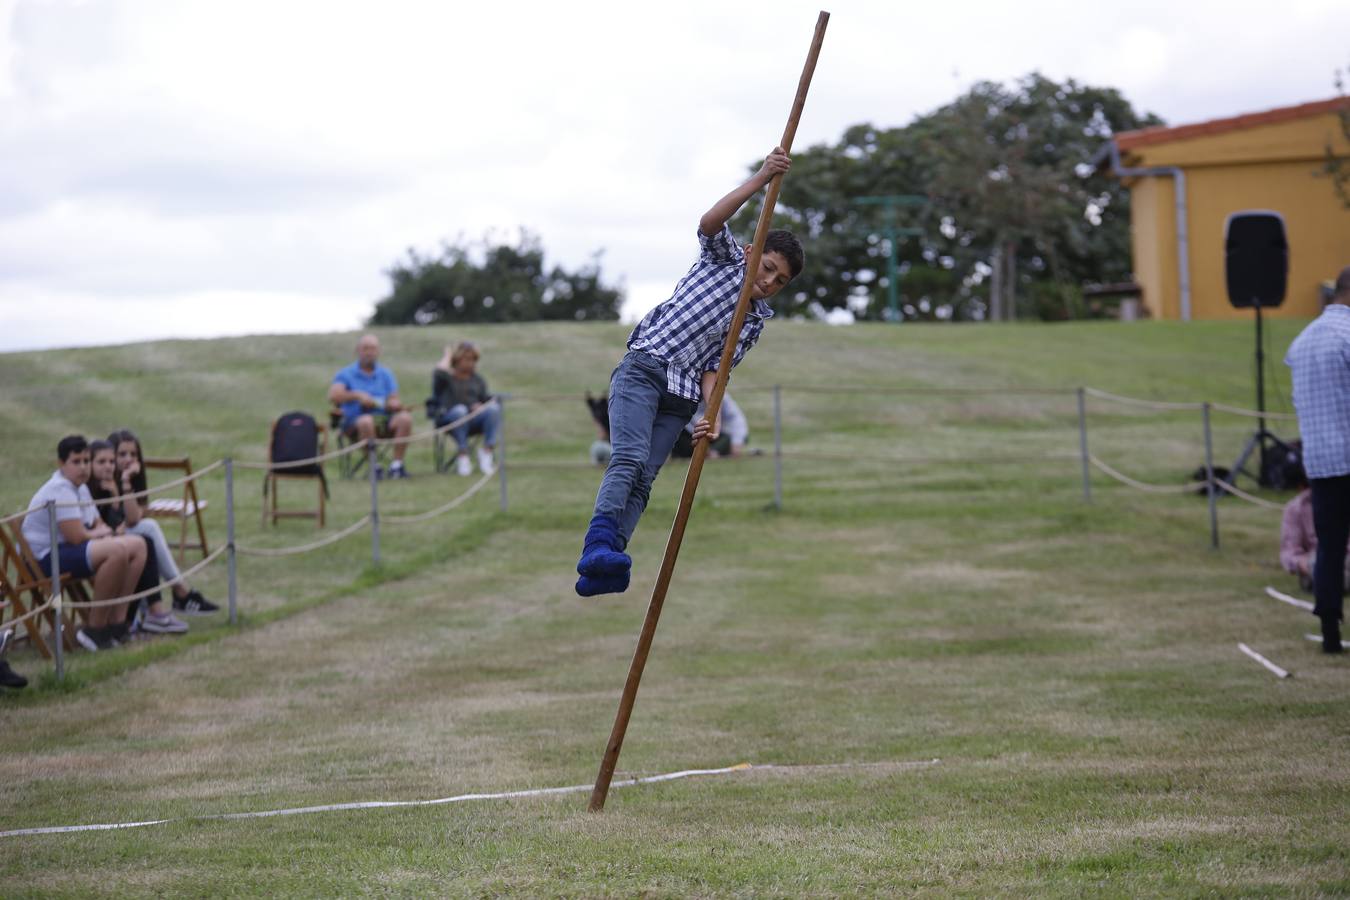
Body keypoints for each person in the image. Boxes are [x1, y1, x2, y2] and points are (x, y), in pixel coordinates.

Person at [573, 147, 804, 596]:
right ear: (753, 250)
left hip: (680, 397)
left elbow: (716, 370)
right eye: (769, 268)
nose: (769, 283)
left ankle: (606, 563)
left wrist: (711, 413)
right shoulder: (724, 260)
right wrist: (760, 178)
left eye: (780, 282)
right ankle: (597, 544)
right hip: (645, 370)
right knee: (629, 458)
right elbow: (710, 222)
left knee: (646, 476)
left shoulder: (753, 322)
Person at [20, 435, 145, 651]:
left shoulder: (81, 487)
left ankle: (117, 623)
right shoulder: (60, 489)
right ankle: (94, 629)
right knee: (117, 550)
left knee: (138, 545)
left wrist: (100, 531)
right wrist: (101, 532)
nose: (84, 467)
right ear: (61, 464)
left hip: (66, 551)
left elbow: (95, 523)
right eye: (76, 462)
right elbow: (77, 536)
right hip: (43, 559)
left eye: (86, 461)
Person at [1285, 264, 1350, 653]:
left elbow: (1299, 402)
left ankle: (1329, 634)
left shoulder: (1302, 341)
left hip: (1321, 459)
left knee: (1329, 544)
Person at [107, 429, 219, 616]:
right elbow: (134, 519)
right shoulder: (107, 481)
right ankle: (181, 592)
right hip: (106, 539)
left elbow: (135, 515)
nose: (128, 459)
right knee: (148, 529)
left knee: (146, 535)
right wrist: (125, 482)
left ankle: (171, 598)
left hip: (123, 536)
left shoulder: (135, 480)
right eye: (122, 454)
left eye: (133, 454)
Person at [87, 438, 189, 634]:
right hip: (93, 547)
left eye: (133, 455)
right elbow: (107, 526)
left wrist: (123, 485)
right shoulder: (87, 489)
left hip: (110, 541)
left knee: (144, 539)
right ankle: (171, 598)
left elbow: (130, 519)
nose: (110, 465)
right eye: (121, 455)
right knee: (145, 536)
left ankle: (145, 615)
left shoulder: (115, 483)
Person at [328, 333, 414, 479]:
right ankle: (375, 467)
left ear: (378, 351)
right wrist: (357, 396)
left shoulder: (385, 374)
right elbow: (333, 395)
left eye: (373, 349)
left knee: (405, 418)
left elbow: (394, 398)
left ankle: (397, 466)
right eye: (365, 348)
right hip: (354, 422)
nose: (369, 352)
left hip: (384, 419)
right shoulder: (346, 374)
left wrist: (394, 404)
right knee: (366, 420)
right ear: (358, 351)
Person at [429, 341, 499, 476]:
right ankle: (463, 455)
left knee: (493, 409)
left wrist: (481, 406)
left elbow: (484, 399)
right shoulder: (445, 378)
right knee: (460, 410)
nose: (471, 363)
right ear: (456, 360)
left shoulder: (477, 380)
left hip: (473, 420)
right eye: (466, 359)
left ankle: (486, 452)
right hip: (449, 420)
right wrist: (448, 355)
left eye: (473, 359)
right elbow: (438, 371)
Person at [673, 392, 749, 459]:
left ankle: (713, 453)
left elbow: (736, 419)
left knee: (728, 437)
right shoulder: (684, 394)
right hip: (689, 436)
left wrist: (736, 443)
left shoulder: (722, 396)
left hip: (713, 436)